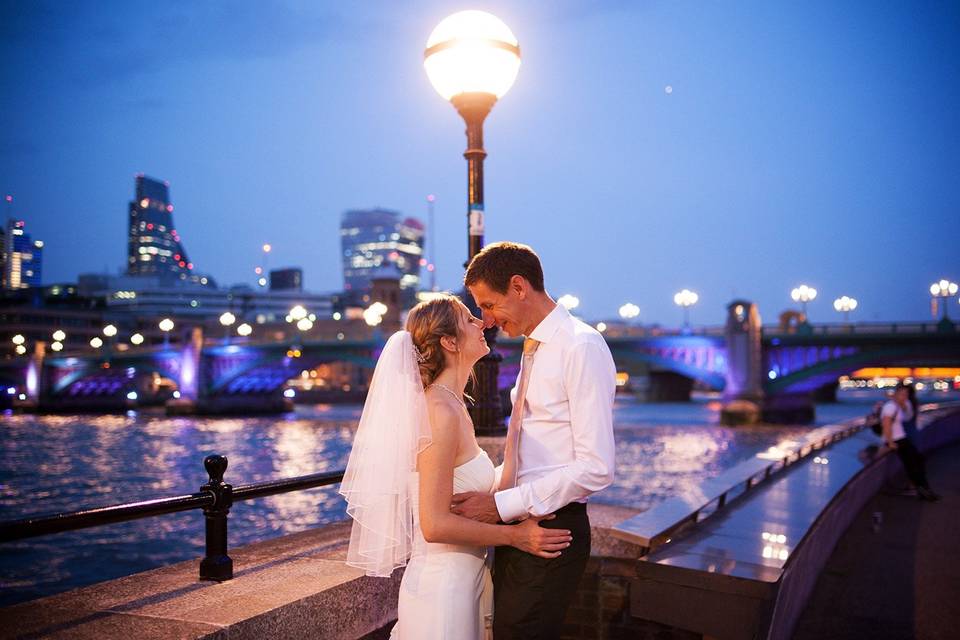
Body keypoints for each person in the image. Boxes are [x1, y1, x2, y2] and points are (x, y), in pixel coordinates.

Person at [340, 294, 573, 640]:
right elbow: (434, 525)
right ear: (449, 342)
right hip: (442, 590)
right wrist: (516, 536)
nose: (482, 323)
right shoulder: (439, 411)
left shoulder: (453, 405)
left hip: (467, 579)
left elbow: (468, 488)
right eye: (469, 319)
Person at [453, 241, 617, 639]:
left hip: (550, 527)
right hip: (520, 521)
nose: (487, 320)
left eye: (489, 305)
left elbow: (596, 468)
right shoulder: (536, 348)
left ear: (519, 286)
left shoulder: (580, 346)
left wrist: (501, 504)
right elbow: (530, 452)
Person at [881, 381, 939, 502]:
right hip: (896, 440)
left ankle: (924, 488)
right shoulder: (889, 407)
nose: (904, 396)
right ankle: (922, 490)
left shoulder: (901, 405)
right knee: (912, 464)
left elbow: (907, 414)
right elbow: (886, 426)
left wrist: (897, 399)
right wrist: (890, 442)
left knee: (917, 461)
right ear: (896, 394)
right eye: (902, 394)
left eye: (906, 394)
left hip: (902, 439)